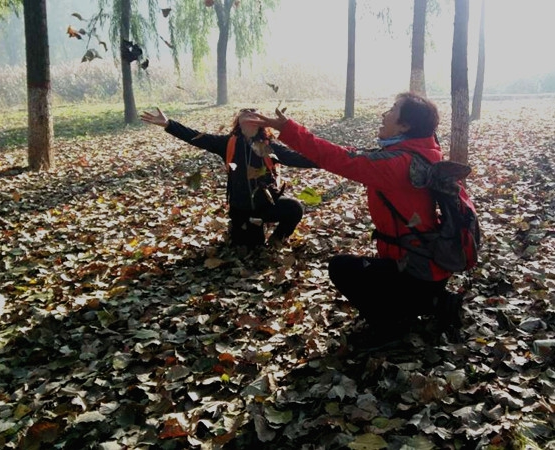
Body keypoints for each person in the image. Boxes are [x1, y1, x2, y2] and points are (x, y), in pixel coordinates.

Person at [244, 92, 461, 337]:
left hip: (417, 272)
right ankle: (430, 300)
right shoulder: (423, 153)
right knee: (368, 269)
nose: (384, 114)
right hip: (428, 265)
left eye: (393, 109)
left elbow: (341, 159)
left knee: (342, 268)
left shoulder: (398, 165)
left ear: (405, 125)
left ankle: (392, 326)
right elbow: (352, 153)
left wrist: (289, 129)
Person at [140, 107, 317, 249]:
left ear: (261, 122)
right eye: (244, 112)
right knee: (250, 248)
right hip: (241, 208)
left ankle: (277, 240)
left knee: (294, 208)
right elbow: (196, 137)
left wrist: (326, 160)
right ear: (238, 123)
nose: (249, 113)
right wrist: (168, 124)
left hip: (266, 205)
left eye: (253, 112)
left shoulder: (270, 147)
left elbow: (297, 159)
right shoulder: (227, 143)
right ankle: (239, 227)